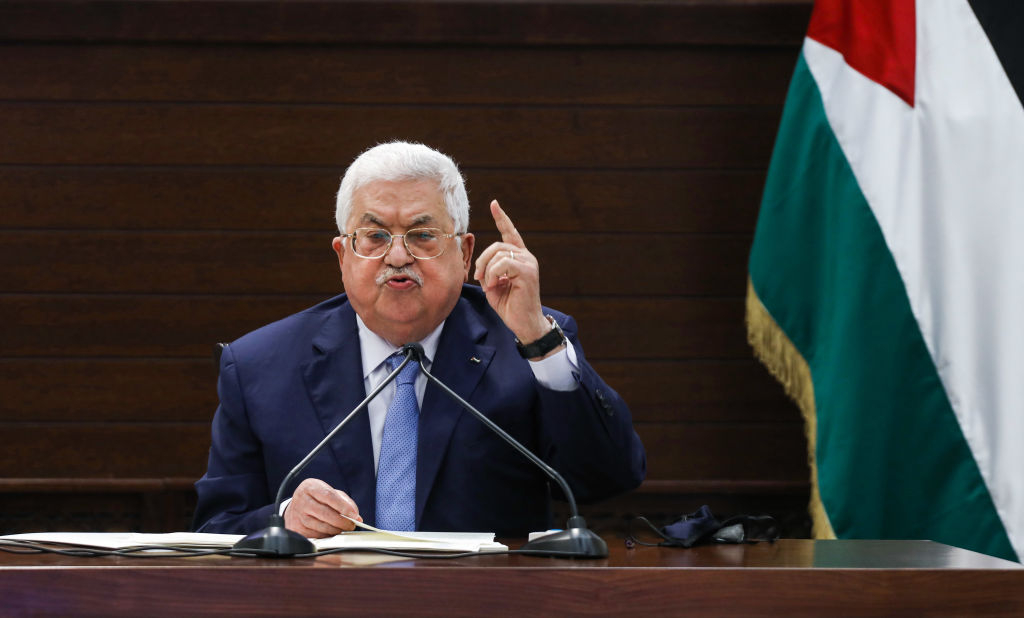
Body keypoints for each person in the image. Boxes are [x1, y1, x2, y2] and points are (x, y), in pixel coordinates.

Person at [192, 141, 645, 537]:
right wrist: (285, 516)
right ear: (342, 256)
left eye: (423, 236)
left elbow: (608, 480)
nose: (397, 255)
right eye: (373, 237)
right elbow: (214, 527)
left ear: (464, 253)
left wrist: (537, 340)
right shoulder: (258, 366)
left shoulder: (524, 342)